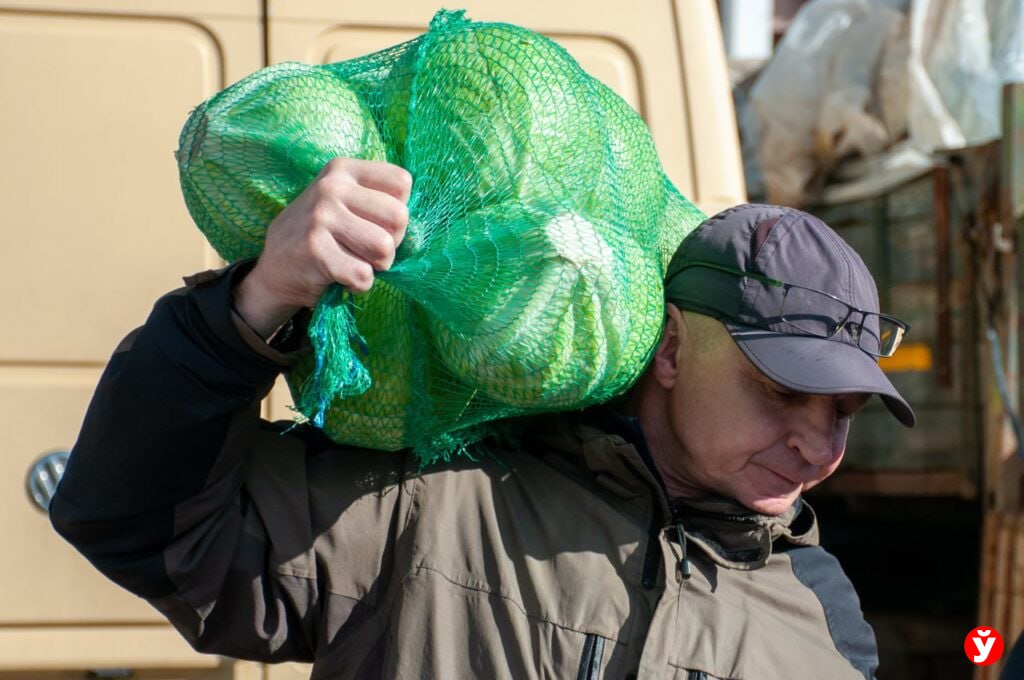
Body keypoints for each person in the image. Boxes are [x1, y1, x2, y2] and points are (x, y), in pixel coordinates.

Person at [50, 158, 914, 679]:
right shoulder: (431, 507)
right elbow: (134, 524)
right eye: (783, 389)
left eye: (846, 410)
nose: (820, 445)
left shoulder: (822, 619)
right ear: (673, 348)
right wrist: (259, 302)